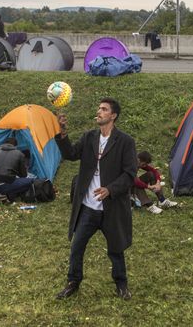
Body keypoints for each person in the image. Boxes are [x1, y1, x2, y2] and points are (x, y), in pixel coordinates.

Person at [55, 98, 137, 300]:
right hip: (88, 207)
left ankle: (121, 284)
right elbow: (72, 154)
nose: (99, 111)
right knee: (76, 247)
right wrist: (63, 134)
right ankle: (73, 282)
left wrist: (110, 189)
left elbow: (130, 174)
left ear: (113, 115)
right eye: (98, 108)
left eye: (103, 109)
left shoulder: (125, 141)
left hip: (112, 206)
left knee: (116, 249)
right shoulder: (89, 137)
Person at [0, 137, 34, 203]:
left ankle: (0, 192)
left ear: (4, 143)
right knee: (31, 181)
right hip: (6, 184)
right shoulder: (19, 154)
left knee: (4, 181)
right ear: (16, 146)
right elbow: (23, 175)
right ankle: (5, 193)